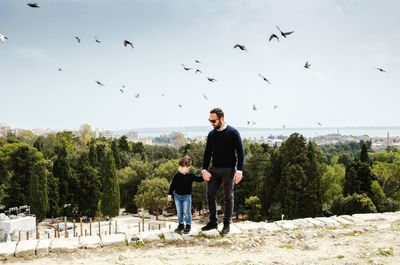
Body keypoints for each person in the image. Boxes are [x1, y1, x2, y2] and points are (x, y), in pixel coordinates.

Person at [201, 108, 245, 234]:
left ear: (222, 119)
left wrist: (239, 171)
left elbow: (241, 153)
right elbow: (207, 153)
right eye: (210, 120)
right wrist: (204, 170)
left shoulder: (233, 132)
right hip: (214, 169)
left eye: (214, 120)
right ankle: (213, 222)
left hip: (229, 169)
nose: (212, 123)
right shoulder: (211, 134)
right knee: (210, 194)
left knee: (228, 196)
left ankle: (226, 224)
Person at [168, 155, 204, 234]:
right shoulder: (177, 175)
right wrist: (169, 194)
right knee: (179, 211)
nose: (180, 168)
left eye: (183, 166)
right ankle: (181, 225)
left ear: (188, 167)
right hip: (177, 197)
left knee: (186, 212)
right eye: (180, 166)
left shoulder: (191, 176)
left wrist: (205, 175)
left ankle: (188, 225)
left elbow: (199, 179)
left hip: (186, 197)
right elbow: (172, 185)